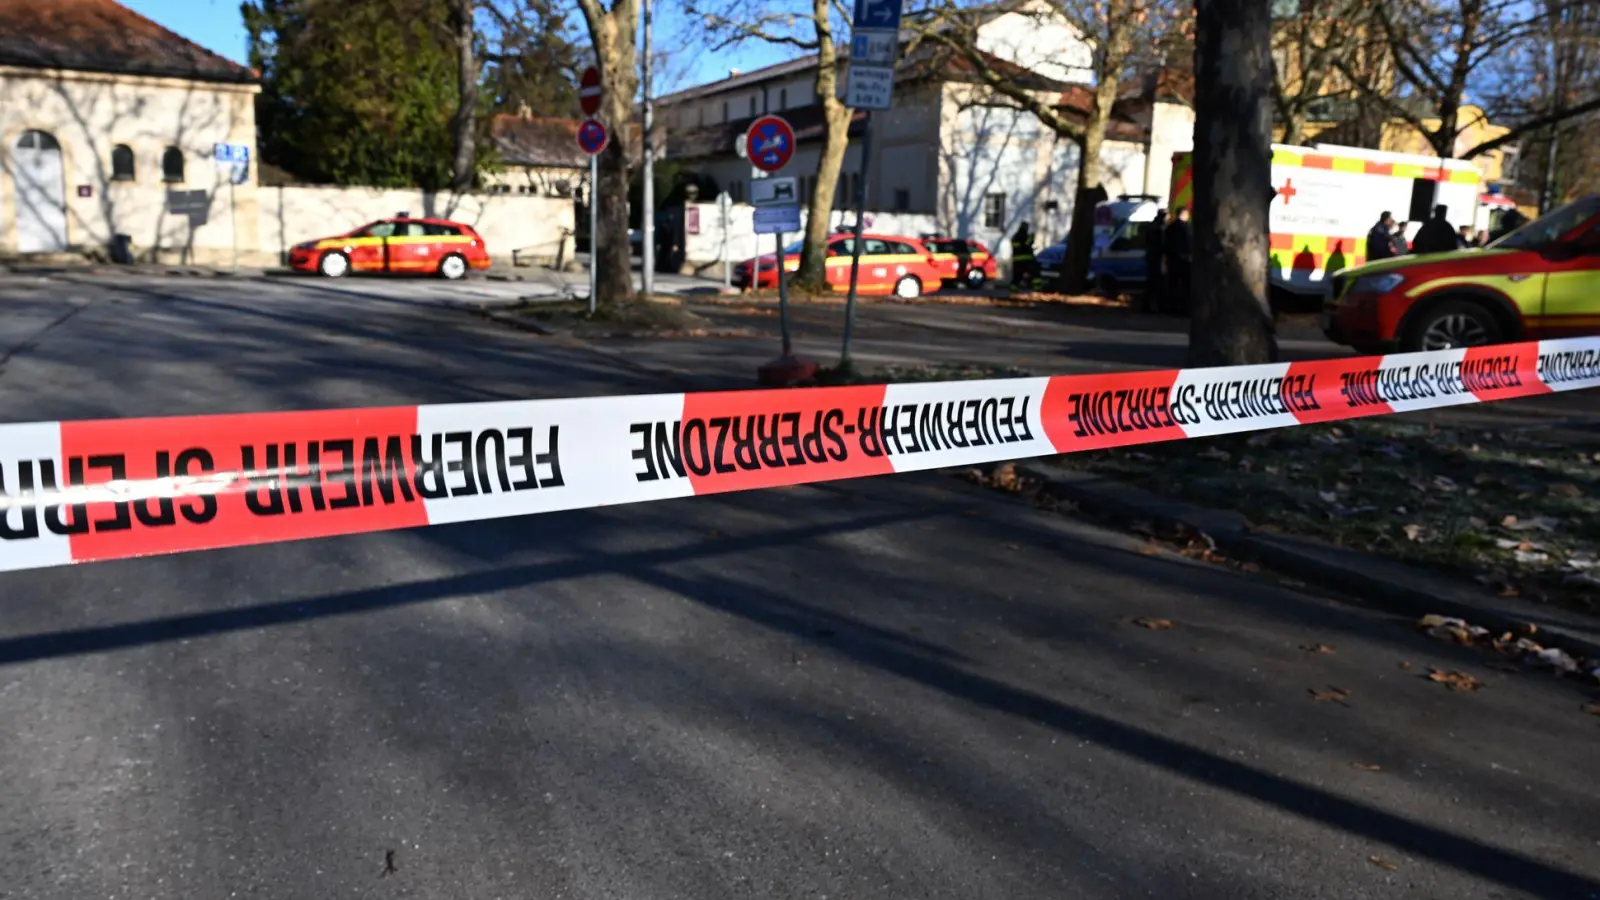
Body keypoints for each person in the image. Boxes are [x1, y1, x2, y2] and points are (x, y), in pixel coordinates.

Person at [1163, 206, 1192, 315]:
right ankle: (1184, 309)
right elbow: (1188, 244)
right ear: (1184, 214)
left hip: (1172, 260)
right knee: (1185, 286)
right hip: (1184, 261)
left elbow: (1166, 244)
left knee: (1172, 285)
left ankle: (1171, 308)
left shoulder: (1170, 227)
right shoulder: (1186, 228)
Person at [1143, 210, 1167, 313]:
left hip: (1152, 258)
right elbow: (1162, 245)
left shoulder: (1152, 227)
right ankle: (1156, 306)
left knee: (1151, 283)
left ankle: (1147, 306)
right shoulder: (1159, 229)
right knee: (1157, 284)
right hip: (1157, 259)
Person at [1009, 222, 1036, 289]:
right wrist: (1031, 239)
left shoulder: (1015, 236)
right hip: (1026, 259)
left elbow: (1018, 247)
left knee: (1017, 276)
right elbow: (1026, 246)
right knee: (1029, 274)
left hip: (1017, 260)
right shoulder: (1025, 236)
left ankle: (1014, 290)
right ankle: (1025, 286)